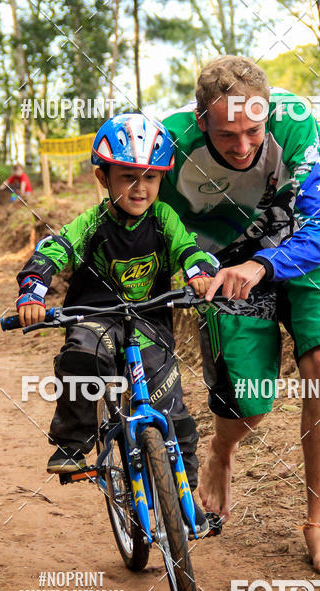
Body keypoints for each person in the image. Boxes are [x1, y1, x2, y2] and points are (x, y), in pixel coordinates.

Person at [160, 55, 320, 573]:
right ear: (201, 121)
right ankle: (222, 451)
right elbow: (140, 215)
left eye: (253, 130)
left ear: (267, 113)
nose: (243, 146)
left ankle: (318, 525)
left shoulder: (295, 121)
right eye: (227, 135)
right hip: (221, 265)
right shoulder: (169, 142)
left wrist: (265, 264)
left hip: (299, 252)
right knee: (252, 405)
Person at [15, 113, 218, 536]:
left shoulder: (164, 219)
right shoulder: (91, 225)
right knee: (83, 356)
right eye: (127, 176)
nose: (139, 188)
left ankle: (185, 497)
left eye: (150, 178)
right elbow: (53, 250)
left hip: (150, 321)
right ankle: (73, 441)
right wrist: (33, 291)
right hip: (96, 316)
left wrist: (199, 272)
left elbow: (189, 249)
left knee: (176, 417)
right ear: (102, 177)